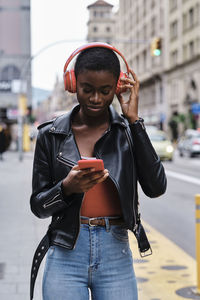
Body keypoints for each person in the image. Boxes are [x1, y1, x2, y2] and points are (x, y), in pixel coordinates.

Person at [30, 43, 167, 300]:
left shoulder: (128, 131)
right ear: (73, 84)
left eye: (105, 91)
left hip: (116, 251)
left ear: (117, 87)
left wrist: (135, 121)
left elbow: (156, 187)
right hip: (65, 252)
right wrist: (67, 188)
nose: (96, 98)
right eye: (87, 89)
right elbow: (38, 206)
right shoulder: (49, 135)